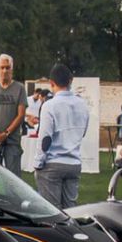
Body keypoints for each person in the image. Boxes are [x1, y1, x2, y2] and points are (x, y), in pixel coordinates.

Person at [33, 63, 89, 209]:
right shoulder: (82, 104)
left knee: (52, 213)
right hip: (74, 164)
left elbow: (45, 139)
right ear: (70, 81)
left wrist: (38, 164)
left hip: (53, 164)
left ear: (51, 83)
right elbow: (83, 133)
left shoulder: (49, 106)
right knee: (71, 211)